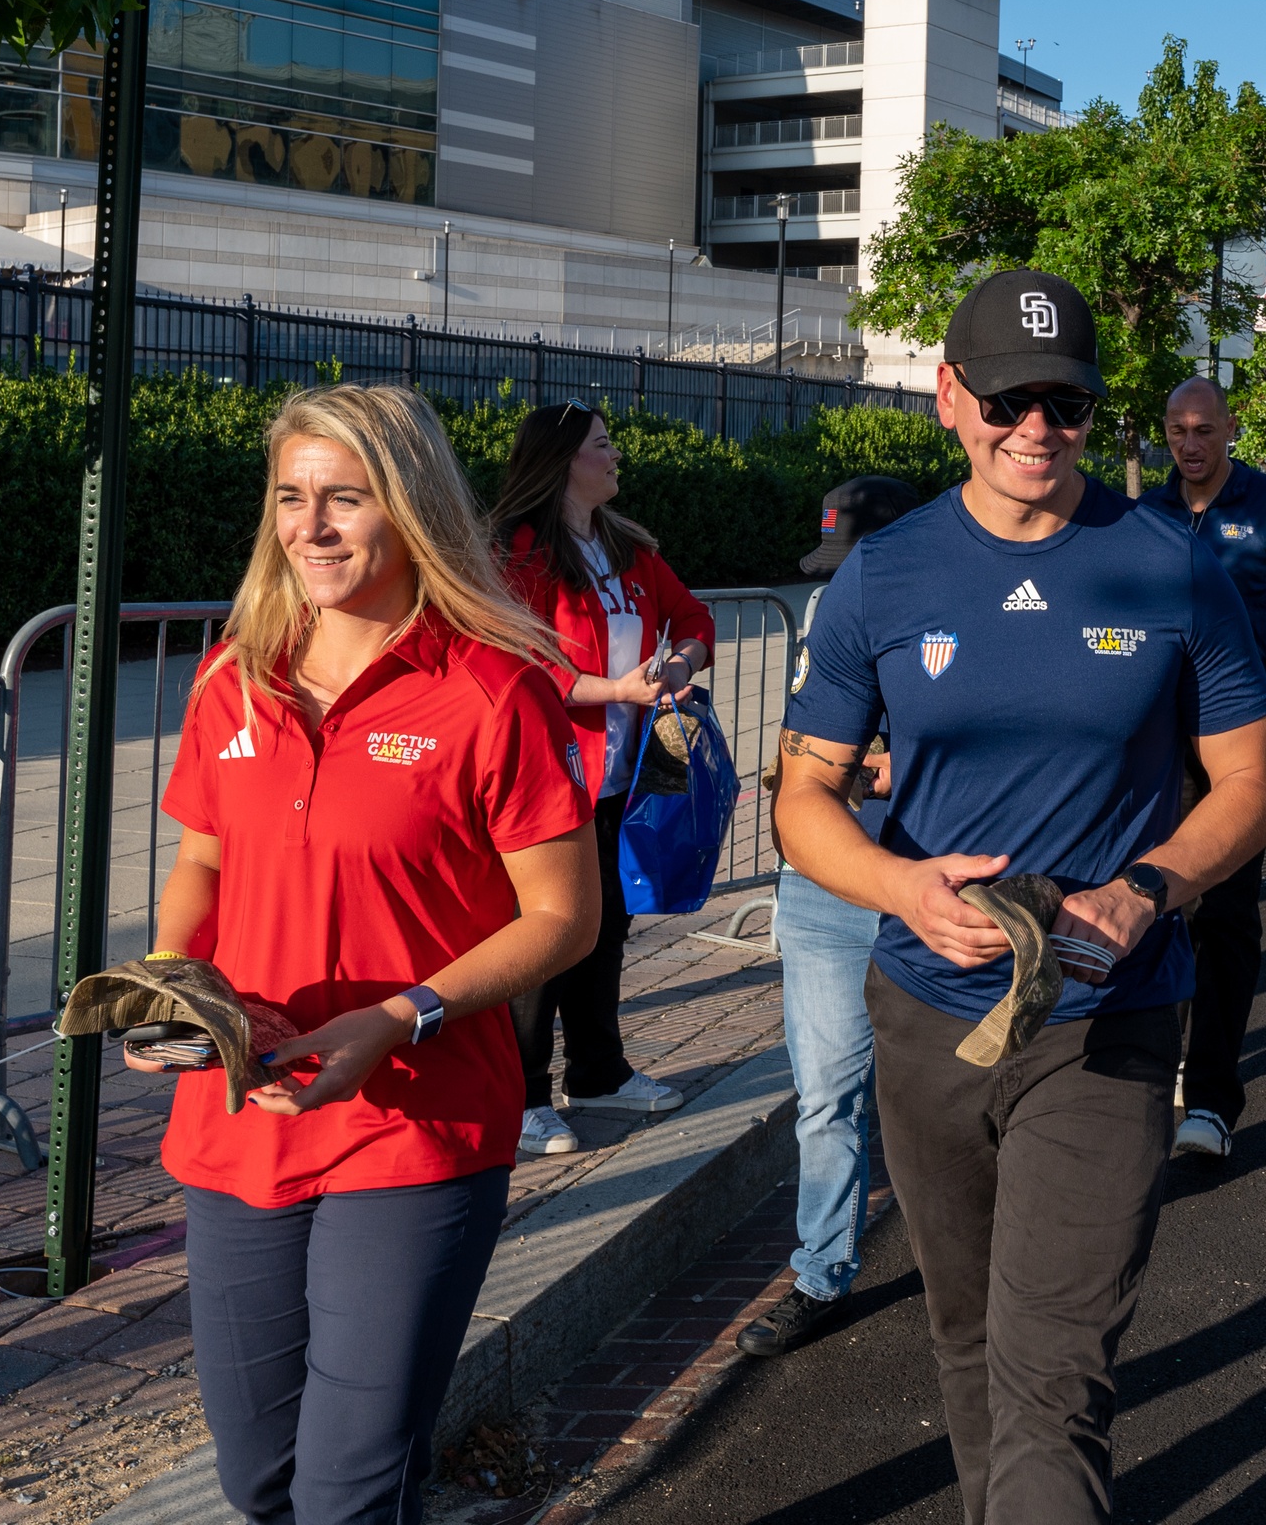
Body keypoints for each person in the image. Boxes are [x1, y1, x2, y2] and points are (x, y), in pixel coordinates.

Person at [776, 269, 1266, 1525]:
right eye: (1006, 399)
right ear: (950, 398)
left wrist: (1148, 889)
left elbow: (1248, 782)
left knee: (1052, 1371)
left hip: (1105, 1019)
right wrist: (898, 883)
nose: (1033, 429)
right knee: (965, 1336)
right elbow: (800, 803)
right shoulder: (881, 578)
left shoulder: (1167, 565)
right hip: (926, 1009)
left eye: (1060, 402)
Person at [146, 384, 602, 1524]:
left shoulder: (495, 686)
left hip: (415, 1126)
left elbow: (561, 918)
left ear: (409, 510)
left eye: (344, 498)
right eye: (292, 498)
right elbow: (201, 861)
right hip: (240, 1115)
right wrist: (169, 981)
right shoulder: (232, 670)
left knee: (349, 1489)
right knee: (261, 1481)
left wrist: (402, 1017)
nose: (312, 525)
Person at [496, 401, 715, 1151]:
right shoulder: (519, 553)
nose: (616, 454)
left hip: (622, 776)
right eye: (603, 444)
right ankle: (521, 1097)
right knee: (548, 940)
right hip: (549, 780)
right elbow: (520, 662)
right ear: (562, 461)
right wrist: (614, 690)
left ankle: (598, 1073)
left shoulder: (627, 546)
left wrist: (678, 663)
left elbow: (693, 619)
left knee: (606, 930)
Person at [736, 475, 919, 1358]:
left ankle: (979, 1260)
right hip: (822, 888)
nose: (836, 583)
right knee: (826, 1097)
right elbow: (795, 764)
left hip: (932, 884)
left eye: (851, 565)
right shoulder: (822, 623)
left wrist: (868, 770)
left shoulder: (939, 614)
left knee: (946, 1096)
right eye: (829, 567)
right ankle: (820, 1270)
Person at [1139, 377, 1266, 1160]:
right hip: (1158, 743)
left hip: (1247, 743)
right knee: (1158, 904)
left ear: (1231, 427)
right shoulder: (1147, 515)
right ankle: (1162, 1069)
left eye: (1202, 429)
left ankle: (1213, 1100)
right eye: (1176, 429)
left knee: (1224, 915)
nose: (1189, 444)